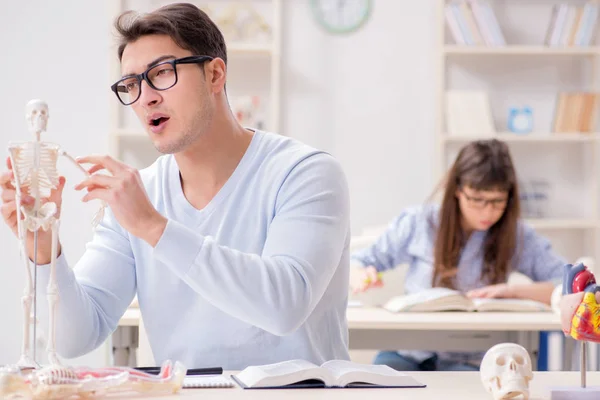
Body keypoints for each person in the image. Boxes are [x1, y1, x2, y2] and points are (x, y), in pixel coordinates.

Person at [0, 3, 351, 370]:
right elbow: (75, 337)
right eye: (131, 84)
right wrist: (42, 248)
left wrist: (154, 227)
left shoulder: (305, 173)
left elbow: (284, 306)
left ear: (215, 75)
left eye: (163, 72)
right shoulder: (142, 195)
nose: (146, 97)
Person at [350, 139, 566, 371]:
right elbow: (357, 262)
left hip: (471, 357)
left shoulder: (516, 234)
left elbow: (568, 285)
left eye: (497, 201)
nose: (488, 211)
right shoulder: (419, 222)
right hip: (408, 350)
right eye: (476, 199)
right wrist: (360, 275)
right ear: (457, 190)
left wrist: (511, 291)